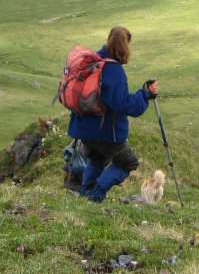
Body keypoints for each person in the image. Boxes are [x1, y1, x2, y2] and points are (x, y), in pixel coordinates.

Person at [67, 26, 158, 202]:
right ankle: (95, 194)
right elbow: (124, 104)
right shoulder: (113, 71)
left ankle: (86, 191)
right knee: (128, 162)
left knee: (98, 158)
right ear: (126, 46)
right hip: (105, 131)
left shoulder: (94, 61)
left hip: (83, 126)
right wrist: (145, 94)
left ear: (108, 40)